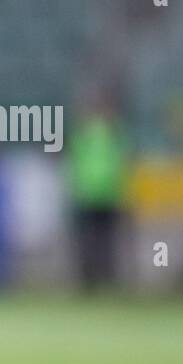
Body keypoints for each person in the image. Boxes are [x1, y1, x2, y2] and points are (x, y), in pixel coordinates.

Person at [66, 94, 129, 290]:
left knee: (102, 241)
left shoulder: (112, 133)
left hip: (104, 194)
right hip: (90, 194)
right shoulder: (94, 133)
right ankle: (92, 280)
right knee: (92, 241)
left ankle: (102, 279)